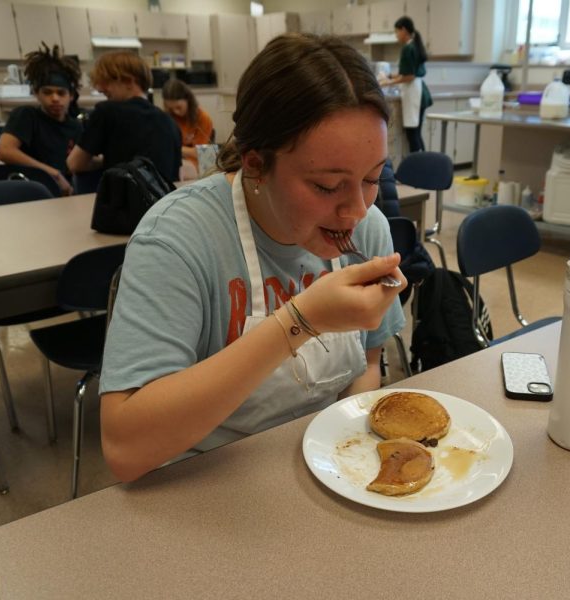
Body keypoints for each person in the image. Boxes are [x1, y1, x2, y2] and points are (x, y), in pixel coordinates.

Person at [99, 33, 407, 483]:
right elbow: (125, 448)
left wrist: (346, 464)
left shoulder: (367, 227)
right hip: (201, 481)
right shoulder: (178, 239)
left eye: (373, 178)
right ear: (256, 164)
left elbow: (370, 365)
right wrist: (299, 320)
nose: (356, 209)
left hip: (323, 469)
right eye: (326, 186)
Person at [67, 51, 181, 182]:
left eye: (106, 82)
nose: (100, 88)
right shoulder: (170, 122)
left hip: (124, 200)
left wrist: (103, 162)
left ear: (129, 80)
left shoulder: (106, 111)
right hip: (164, 201)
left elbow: (74, 164)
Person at [0, 43, 82, 196]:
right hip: (29, 190)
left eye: (61, 93)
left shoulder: (75, 126)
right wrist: (51, 173)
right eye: (47, 92)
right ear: (36, 93)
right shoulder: (26, 116)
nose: (55, 98)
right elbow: (5, 151)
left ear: (71, 96)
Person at [383, 16, 433, 153]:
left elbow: (409, 76)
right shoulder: (414, 46)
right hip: (418, 90)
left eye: (397, 32)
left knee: (412, 132)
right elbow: (407, 73)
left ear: (403, 30)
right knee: (416, 132)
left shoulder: (407, 48)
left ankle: (418, 165)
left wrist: (389, 82)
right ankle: (423, 162)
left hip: (413, 92)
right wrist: (389, 76)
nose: (396, 35)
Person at [162, 79, 215, 170]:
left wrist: (175, 149)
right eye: (171, 109)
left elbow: (200, 153)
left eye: (179, 107)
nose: (176, 112)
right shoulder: (165, 118)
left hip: (197, 166)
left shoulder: (203, 119)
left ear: (188, 100)